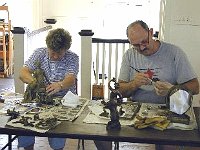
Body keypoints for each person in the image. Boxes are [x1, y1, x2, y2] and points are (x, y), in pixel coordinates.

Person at [18, 28, 112, 150]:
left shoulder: (72, 57)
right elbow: (23, 73)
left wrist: (60, 85)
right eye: (52, 53)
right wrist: (35, 83)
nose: (56, 56)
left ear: (66, 49)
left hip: (64, 100)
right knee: (25, 128)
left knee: (57, 133)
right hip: (40, 100)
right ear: (47, 47)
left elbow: (71, 79)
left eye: (60, 53)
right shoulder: (39, 53)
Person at [118, 20, 199, 150]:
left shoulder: (174, 53)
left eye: (144, 42)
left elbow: (195, 87)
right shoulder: (129, 55)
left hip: (169, 110)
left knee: (168, 145)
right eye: (136, 45)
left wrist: (172, 90)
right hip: (138, 113)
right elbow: (120, 91)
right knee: (105, 134)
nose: (142, 48)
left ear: (151, 32)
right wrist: (133, 84)